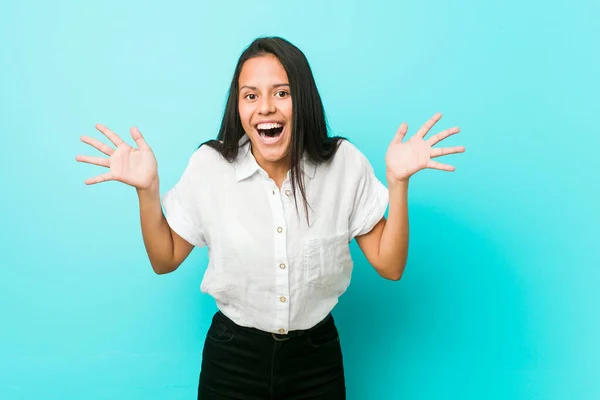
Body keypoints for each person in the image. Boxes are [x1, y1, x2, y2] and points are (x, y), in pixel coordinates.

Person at [76, 36, 465, 400]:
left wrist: (398, 184)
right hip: (232, 360)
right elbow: (164, 260)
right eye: (251, 95)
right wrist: (148, 191)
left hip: (316, 359)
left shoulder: (344, 163)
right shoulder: (210, 167)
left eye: (282, 93)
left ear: (304, 100)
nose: (265, 107)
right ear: (239, 106)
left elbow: (391, 266)